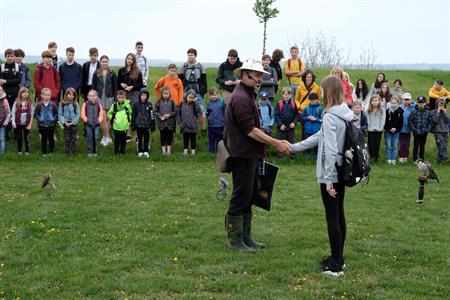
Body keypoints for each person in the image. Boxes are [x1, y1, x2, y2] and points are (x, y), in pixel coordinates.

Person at [224, 59, 291, 254]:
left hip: (249, 154)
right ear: (245, 74)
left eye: (262, 74)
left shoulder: (246, 94)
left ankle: (246, 238)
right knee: (240, 197)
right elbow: (250, 130)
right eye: (257, 74)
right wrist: (276, 142)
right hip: (242, 155)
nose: (261, 78)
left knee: (248, 196)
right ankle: (235, 241)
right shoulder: (241, 98)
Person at [291, 75, 355, 276]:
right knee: (339, 214)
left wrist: (328, 181)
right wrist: (293, 147)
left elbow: (331, 148)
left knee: (332, 217)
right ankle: (338, 258)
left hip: (332, 174)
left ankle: (335, 265)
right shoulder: (345, 113)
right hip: (343, 171)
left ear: (329, 92)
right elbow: (320, 136)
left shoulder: (329, 116)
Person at [178, 48, 208, 130]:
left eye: (191, 55)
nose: (190, 57)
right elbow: (180, 81)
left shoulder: (201, 66)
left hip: (198, 91)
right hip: (186, 91)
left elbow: (204, 80)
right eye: (188, 55)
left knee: (201, 110)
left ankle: (203, 129)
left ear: (195, 56)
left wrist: (203, 92)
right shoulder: (183, 66)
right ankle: (186, 128)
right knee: (186, 109)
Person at [92, 55, 117, 146]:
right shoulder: (96, 73)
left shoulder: (112, 73)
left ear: (108, 62)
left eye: (106, 61)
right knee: (102, 118)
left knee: (108, 118)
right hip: (99, 97)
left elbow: (115, 87)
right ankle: (108, 137)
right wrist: (94, 97)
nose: (105, 63)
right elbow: (93, 86)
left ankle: (105, 136)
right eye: (103, 61)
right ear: (100, 62)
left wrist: (115, 98)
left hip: (110, 97)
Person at [0, 48, 22, 139]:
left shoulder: (17, 66)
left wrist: (6, 81)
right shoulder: (1, 67)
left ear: (14, 57)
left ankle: (16, 135)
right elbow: (0, 81)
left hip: (15, 94)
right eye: (8, 56)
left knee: (15, 114)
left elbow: (18, 80)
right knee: (5, 114)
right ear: (5, 57)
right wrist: (8, 81)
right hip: (4, 96)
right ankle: (5, 135)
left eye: (11, 56)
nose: (10, 58)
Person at [275, 86, 298, 158]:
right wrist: (280, 124)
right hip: (281, 127)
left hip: (291, 126)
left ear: (291, 95)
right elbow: (277, 115)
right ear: (282, 95)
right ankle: (280, 154)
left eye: (288, 94)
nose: (287, 96)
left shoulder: (293, 103)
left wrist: (294, 123)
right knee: (281, 140)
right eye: (285, 94)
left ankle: (292, 155)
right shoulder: (280, 104)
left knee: (291, 141)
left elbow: (296, 115)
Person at [108, 90, 133, 155]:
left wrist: (128, 120)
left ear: (125, 97)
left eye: (122, 97)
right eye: (119, 97)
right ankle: (116, 151)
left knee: (123, 140)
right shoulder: (114, 105)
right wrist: (113, 119)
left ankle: (122, 151)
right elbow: (109, 113)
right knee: (116, 140)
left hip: (124, 126)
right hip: (116, 126)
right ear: (117, 97)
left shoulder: (127, 105)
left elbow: (130, 113)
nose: (121, 99)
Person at [132, 88, 155, 158]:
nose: (143, 97)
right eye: (142, 95)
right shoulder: (136, 104)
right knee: (139, 138)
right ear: (140, 96)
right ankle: (139, 150)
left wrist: (152, 124)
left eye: (145, 95)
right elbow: (133, 115)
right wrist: (133, 124)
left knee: (146, 138)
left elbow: (152, 115)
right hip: (138, 125)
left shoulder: (149, 104)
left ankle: (146, 150)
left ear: (147, 96)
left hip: (147, 125)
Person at [178, 89, 202, 156]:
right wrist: (180, 123)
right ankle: (185, 151)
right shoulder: (182, 104)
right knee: (185, 139)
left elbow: (198, 111)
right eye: (189, 97)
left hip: (193, 125)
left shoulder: (194, 105)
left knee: (193, 139)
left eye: (192, 98)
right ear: (186, 96)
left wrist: (195, 102)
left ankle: (193, 152)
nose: (190, 99)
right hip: (184, 125)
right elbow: (178, 113)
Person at [34, 88, 58, 155]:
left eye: (48, 95)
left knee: (51, 139)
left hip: (51, 125)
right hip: (42, 125)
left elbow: (56, 113)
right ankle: (44, 152)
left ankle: (51, 151)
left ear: (50, 96)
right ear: (41, 95)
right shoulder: (39, 105)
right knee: (43, 139)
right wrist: (39, 119)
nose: (47, 97)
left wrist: (53, 119)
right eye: (45, 95)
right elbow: (36, 114)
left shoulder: (53, 104)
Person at [154, 86, 177, 155]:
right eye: (164, 93)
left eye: (167, 93)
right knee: (163, 136)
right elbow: (155, 111)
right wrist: (160, 116)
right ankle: (163, 151)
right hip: (162, 123)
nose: (166, 95)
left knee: (169, 136)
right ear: (162, 94)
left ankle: (169, 150)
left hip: (170, 123)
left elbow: (175, 111)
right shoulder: (159, 102)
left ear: (170, 94)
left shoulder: (172, 102)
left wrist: (169, 115)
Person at [409, 96, 432, 162]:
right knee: (416, 146)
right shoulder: (414, 111)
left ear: (425, 103)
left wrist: (427, 130)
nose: (421, 104)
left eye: (422, 103)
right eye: (419, 103)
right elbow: (410, 121)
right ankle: (415, 159)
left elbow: (430, 122)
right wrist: (414, 129)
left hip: (424, 132)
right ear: (417, 103)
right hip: (416, 132)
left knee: (422, 146)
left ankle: (421, 159)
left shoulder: (428, 112)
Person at [81, 90, 104, 157]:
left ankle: (95, 152)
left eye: (93, 96)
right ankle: (89, 152)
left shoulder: (98, 104)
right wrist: (86, 120)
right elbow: (82, 114)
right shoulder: (85, 104)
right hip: (88, 125)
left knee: (96, 138)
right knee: (89, 138)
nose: (92, 97)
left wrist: (99, 121)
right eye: (90, 96)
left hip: (96, 124)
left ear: (96, 97)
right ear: (87, 97)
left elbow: (101, 113)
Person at [11, 87, 34, 155]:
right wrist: (13, 122)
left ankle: (27, 151)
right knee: (19, 138)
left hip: (26, 124)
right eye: (24, 92)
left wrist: (30, 124)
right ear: (20, 94)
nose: (25, 94)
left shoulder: (30, 103)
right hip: (18, 123)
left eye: (27, 92)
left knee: (26, 138)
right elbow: (13, 113)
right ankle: (19, 151)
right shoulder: (16, 102)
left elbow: (32, 115)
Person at [301, 92, 323, 159]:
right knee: (307, 143)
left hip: (317, 130)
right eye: (311, 100)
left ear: (317, 100)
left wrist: (315, 119)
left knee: (316, 145)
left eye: (314, 99)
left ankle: (316, 156)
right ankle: (306, 155)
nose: (313, 101)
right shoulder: (306, 108)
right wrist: (308, 117)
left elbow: (322, 119)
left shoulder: (320, 109)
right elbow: (302, 117)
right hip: (307, 130)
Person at [58, 88, 80, 155]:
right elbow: (60, 114)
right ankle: (67, 151)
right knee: (67, 137)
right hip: (66, 123)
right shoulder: (62, 103)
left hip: (73, 123)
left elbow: (78, 114)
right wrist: (64, 122)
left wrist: (73, 122)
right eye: (69, 94)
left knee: (73, 138)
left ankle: (72, 151)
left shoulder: (76, 104)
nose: (71, 96)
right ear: (66, 95)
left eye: (73, 95)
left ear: (75, 96)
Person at [366, 94, 385, 162]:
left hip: (378, 130)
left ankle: (376, 156)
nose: (374, 102)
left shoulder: (382, 110)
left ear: (379, 101)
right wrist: (369, 127)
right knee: (371, 143)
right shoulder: (368, 110)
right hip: (370, 130)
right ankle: (371, 156)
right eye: (373, 101)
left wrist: (380, 128)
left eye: (376, 100)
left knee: (377, 143)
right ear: (371, 102)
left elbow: (383, 120)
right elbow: (368, 119)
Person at [384, 96, 403, 165]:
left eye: (395, 103)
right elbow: (385, 122)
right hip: (388, 131)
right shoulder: (387, 111)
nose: (393, 104)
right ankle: (388, 159)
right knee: (388, 145)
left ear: (398, 103)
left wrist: (396, 128)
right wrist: (389, 128)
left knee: (394, 145)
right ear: (389, 103)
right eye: (392, 103)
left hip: (396, 131)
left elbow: (401, 123)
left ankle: (393, 159)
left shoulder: (400, 112)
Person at [206, 87, 226, 153]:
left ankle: (219, 151)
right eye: (212, 95)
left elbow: (225, 110)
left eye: (215, 95)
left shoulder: (221, 102)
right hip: (211, 125)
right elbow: (207, 113)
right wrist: (207, 116)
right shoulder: (209, 104)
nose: (214, 97)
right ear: (209, 96)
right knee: (211, 139)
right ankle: (212, 151)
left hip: (220, 124)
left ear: (218, 95)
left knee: (220, 139)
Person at [430, 98, 449, 162]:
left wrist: (445, 113)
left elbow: (447, 121)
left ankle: (440, 160)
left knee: (444, 146)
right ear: (437, 104)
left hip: (445, 131)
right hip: (438, 131)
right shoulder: (433, 112)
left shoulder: (445, 112)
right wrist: (438, 112)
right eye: (440, 103)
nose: (441, 105)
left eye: (443, 104)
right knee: (441, 145)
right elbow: (435, 121)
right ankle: (445, 159)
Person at [398, 93, 415, 163]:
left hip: (408, 129)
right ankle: (401, 156)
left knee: (406, 144)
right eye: (405, 99)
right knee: (400, 144)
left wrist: (412, 103)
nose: (406, 101)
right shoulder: (399, 107)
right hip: (400, 129)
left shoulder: (412, 108)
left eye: (408, 100)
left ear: (410, 100)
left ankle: (405, 156)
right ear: (402, 100)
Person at [0, 88, 11, 154]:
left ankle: (2, 153)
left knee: (2, 139)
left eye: (0, 91)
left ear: (2, 91)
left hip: (2, 123)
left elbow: (8, 113)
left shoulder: (5, 101)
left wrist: (6, 122)